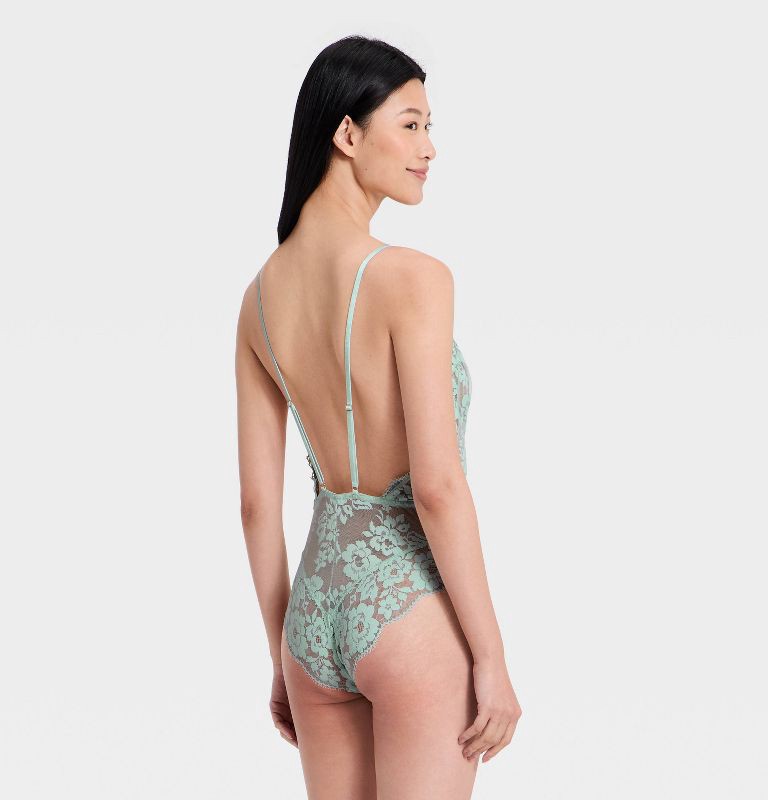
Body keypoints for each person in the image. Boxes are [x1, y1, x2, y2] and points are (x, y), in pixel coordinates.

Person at [236, 34, 521, 799]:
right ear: (347, 133)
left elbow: (257, 504)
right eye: (412, 124)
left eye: (430, 127)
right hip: (406, 609)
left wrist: (283, 654)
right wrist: (490, 657)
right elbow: (437, 488)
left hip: (312, 618)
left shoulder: (257, 301)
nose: (430, 148)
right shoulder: (412, 279)